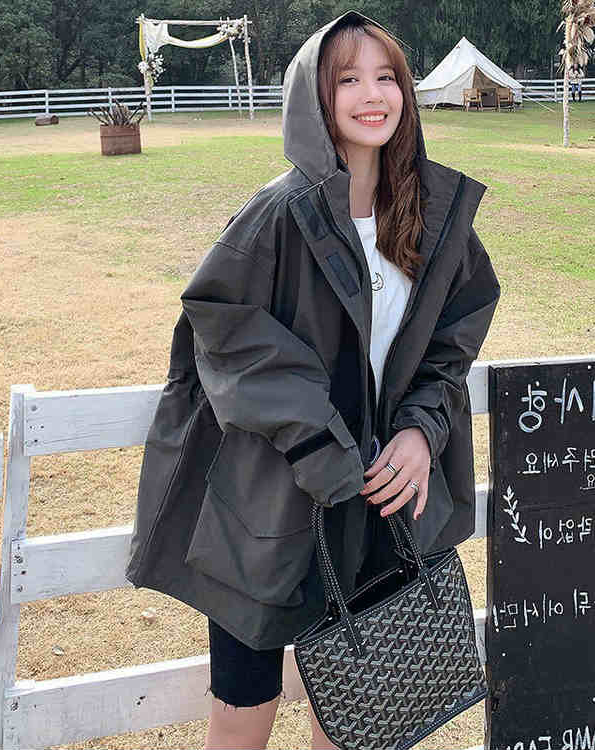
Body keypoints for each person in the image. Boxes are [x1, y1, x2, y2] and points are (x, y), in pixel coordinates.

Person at [125, 10, 500, 750]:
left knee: (365, 696)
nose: (373, 95)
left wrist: (422, 431)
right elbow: (223, 325)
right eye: (348, 79)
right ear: (314, 96)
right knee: (246, 696)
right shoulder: (278, 213)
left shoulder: (428, 214)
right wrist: (321, 442)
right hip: (271, 490)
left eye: (387, 77)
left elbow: (453, 336)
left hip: (381, 493)